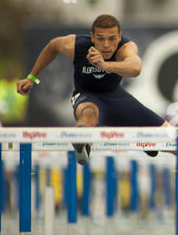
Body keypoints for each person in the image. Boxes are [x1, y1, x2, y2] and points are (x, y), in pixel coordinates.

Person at [17, 14, 168, 164]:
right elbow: (53, 46)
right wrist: (32, 78)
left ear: (119, 36)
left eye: (112, 38)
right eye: (101, 38)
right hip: (87, 95)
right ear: (92, 37)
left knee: (171, 138)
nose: (107, 45)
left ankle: (154, 146)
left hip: (117, 98)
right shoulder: (76, 45)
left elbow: (136, 68)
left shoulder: (126, 47)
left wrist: (104, 65)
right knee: (89, 113)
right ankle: (81, 140)